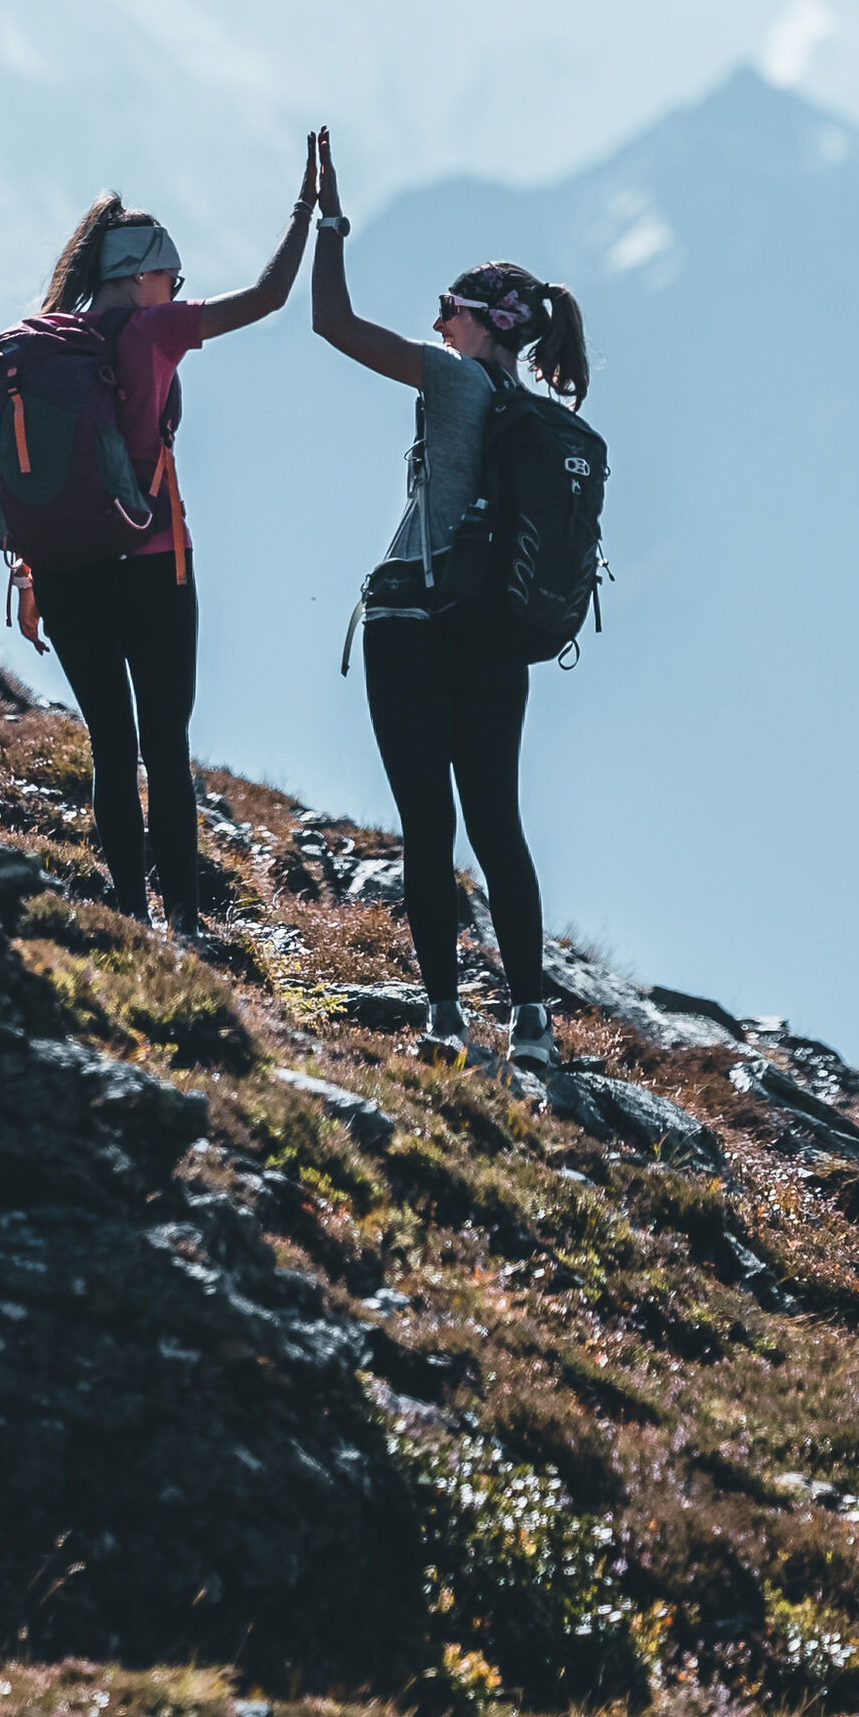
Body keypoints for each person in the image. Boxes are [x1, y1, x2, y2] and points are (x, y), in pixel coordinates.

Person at [305, 126, 588, 1068]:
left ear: (482, 323)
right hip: (497, 639)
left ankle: (441, 1017)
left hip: (413, 624)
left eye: (448, 309)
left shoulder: (452, 380)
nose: (435, 324)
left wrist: (328, 219)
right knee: (499, 826)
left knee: (427, 827)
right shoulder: (548, 417)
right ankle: (534, 1023)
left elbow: (332, 324)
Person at [0, 147, 312, 941]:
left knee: (109, 740)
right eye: (173, 276)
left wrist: (31, 574)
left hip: (64, 569)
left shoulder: (49, 344)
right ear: (143, 275)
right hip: (152, 561)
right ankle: (187, 925)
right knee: (164, 743)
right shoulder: (151, 329)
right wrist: (309, 210)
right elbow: (268, 297)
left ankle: (130, 916)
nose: (179, 291)